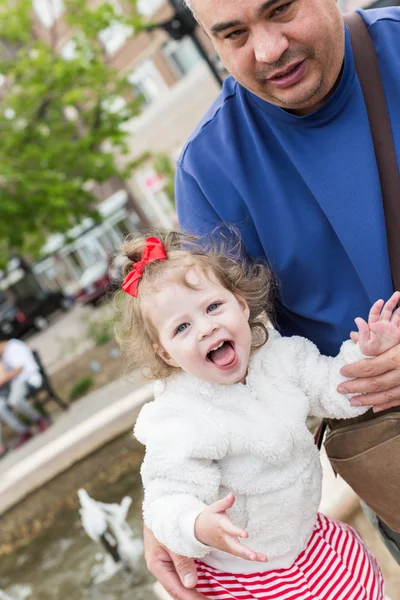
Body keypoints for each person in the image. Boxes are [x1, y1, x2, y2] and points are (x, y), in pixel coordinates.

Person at [152, 0, 400, 596]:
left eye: (280, 9)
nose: (267, 50)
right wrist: (165, 510)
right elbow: (202, 356)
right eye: (233, 34)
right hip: (391, 455)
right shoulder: (208, 168)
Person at [117, 233, 400, 599]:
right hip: (245, 571)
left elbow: (334, 390)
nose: (206, 328)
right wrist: (197, 523)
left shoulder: (281, 358)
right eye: (182, 328)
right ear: (167, 354)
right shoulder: (182, 417)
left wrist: (365, 354)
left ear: (241, 304)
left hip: (306, 542)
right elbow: (167, 495)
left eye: (213, 307)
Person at [0, 338, 48, 456]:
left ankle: (38, 419)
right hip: (15, 383)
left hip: (26, 379)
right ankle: (23, 431)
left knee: (14, 400)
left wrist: (5, 378)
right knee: (0, 406)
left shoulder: (13, 347)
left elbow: (20, 368)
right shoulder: (4, 355)